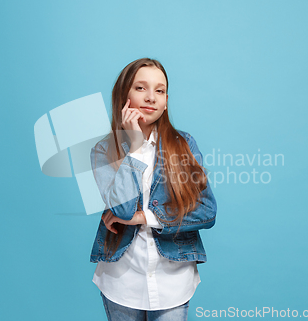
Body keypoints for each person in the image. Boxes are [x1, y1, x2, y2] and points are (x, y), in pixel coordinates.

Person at [89, 57, 218, 321]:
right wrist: (135, 149)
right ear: (123, 95)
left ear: (166, 101)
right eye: (141, 88)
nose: (151, 97)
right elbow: (123, 210)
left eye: (159, 91)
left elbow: (207, 211)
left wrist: (144, 217)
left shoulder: (184, 145)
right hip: (121, 280)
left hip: (173, 279)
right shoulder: (103, 151)